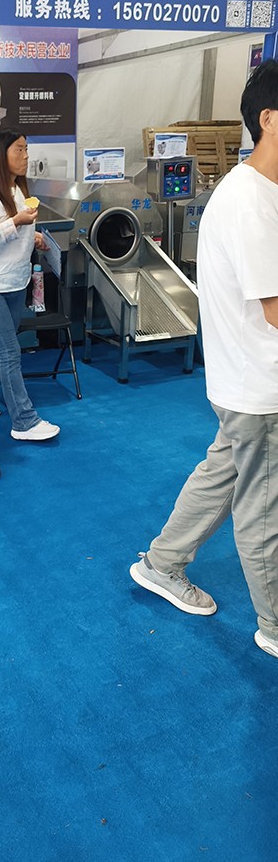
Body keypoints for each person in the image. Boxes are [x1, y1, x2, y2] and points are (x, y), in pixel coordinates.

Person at [130, 59, 278, 659]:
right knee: (263, 508)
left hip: (248, 379)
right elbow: (275, 309)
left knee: (225, 473)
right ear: (270, 120)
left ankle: (161, 563)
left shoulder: (262, 193)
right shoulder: (249, 202)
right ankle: (273, 624)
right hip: (258, 384)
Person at [0, 128, 60, 442]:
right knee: (9, 350)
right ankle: (24, 421)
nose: (26, 156)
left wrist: (33, 236)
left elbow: (11, 233)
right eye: (19, 149)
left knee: (0, 345)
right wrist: (16, 222)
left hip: (15, 281)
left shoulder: (17, 189)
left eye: (26, 149)